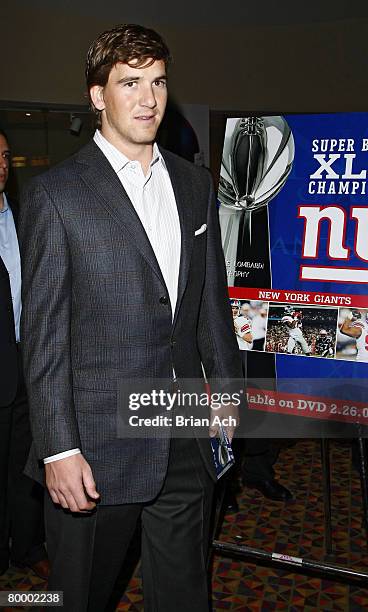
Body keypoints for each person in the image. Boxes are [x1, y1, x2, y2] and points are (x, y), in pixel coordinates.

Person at [19, 24, 242, 612]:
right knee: (79, 596)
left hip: (186, 432)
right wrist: (58, 449)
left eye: (159, 82)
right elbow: (44, 337)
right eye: (130, 83)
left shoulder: (195, 187)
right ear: (98, 96)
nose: (149, 99)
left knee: (185, 593)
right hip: (96, 446)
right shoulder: (55, 195)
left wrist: (224, 394)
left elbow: (209, 304)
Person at [0, 129, 49, 579]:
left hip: (28, 367)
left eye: (4, 156)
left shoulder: (23, 217)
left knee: (27, 470)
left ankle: (27, 547)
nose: (0, 164)